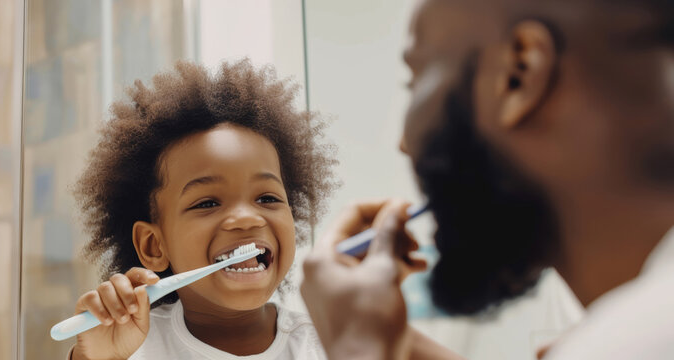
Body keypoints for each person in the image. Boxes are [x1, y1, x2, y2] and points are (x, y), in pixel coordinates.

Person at [300, 0, 674, 358]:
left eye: (414, 79)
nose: (403, 144)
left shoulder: (641, 338)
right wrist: (392, 341)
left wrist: (356, 350)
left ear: (517, 73)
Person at [67, 59, 338, 360]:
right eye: (208, 203)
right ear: (153, 245)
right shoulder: (128, 348)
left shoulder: (329, 347)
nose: (247, 217)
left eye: (267, 198)